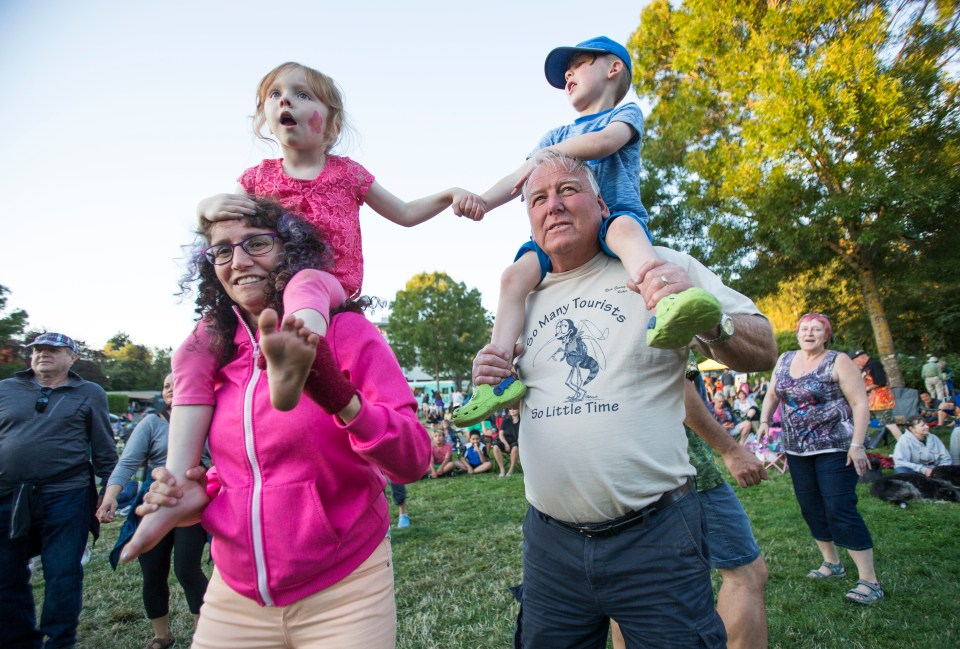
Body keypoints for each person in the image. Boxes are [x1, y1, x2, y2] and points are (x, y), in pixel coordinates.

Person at [145, 60, 483, 551]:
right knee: (194, 349)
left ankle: (299, 355)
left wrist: (450, 193)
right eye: (276, 95)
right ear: (264, 119)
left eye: (302, 95)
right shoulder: (255, 180)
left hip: (328, 289)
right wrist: (205, 208)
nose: (286, 101)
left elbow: (406, 213)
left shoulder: (348, 174)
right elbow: (216, 228)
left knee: (305, 280)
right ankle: (175, 481)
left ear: (333, 124)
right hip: (267, 294)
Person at [472, 150, 777, 647]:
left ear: (600, 202)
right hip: (550, 547)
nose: (554, 206)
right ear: (528, 218)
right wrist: (492, 374)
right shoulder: (522, 296)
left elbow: (763, 347)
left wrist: (710, 322)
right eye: (538, 199)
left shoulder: (659, 267)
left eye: (568, 190)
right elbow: (524, 395)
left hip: (656, 539)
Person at [125, 200, 431, 648]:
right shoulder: (211, 352)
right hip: (234, 593)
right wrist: (203, 491)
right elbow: (250, 464)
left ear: (290, 249)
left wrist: (342, 401)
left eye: (257, 243)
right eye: (223, 252)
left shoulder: (348, 333)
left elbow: (414, 459)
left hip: (345, 589)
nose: (240, 261)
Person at [452, 36, 722, 427]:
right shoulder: (551, 137)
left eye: (577, 65)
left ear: (613, 68)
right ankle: (497, 375)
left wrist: (548, 158)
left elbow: (604, 144)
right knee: (513, 277)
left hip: (613, 216)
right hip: (559, 232)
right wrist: (482, 201)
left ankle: (666, 303)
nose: (568, 75)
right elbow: (520, 176)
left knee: (628, 232)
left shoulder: (624, 115)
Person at [612, 363, 770, 649]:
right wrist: (730, 449)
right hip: (687, 471)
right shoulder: (660, 320)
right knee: (745, 573)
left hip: (622, 472)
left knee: (633, 584)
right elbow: (677, 389)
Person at [0, 332, 118, 648]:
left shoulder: (89, 392)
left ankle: (60, 641)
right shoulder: (6, 390)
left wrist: (111, 489)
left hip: (66, 494)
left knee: (63, 573)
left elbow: (104, 446)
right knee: (5, 574)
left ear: (73, 357)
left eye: (53, 349)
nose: (42, 354)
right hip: (7, 496)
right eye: (37, 349)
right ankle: (18, 641)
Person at [759, 313, 883, 605]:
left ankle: (869, 580)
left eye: (816, 329)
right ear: (797, 333)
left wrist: (857, 444)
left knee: (839, 506)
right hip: (798, 449)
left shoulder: (838, 361)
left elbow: (860, 404)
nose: (809, 333)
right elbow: (772, 394)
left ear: (827, 335)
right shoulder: (786, 359)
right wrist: (764, 420)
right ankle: (832, 564)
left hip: (836, 446)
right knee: (811, 506)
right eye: (804, 328)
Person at [97, 374, 208, 649]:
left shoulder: (206, 419)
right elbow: (128, 462)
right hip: (153, 500)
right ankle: (161, 636)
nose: (170, 389)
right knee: (153, 572)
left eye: (176, 383)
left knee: (187, 570)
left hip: (190, 503)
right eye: (166, 386)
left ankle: (201, 635)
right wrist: (110, 496)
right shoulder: (152, 423)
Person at [850, 349, 902, 442]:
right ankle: (862, 442)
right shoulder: (867, 367)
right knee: (861, 420)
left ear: (861, 357)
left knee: (889, 424)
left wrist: (866, 388)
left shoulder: (874, 364)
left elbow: (881, 382)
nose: (854, 363)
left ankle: (905, 444)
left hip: (881, 401)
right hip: (872, 402)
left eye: (854, 360)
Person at [493, 407, 521, 477]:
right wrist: (506, 444)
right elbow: (501, 434)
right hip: (505, 442)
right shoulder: (506, 421)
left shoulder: (523, 421)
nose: (512, 410)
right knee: (495, 447)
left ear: (519, 409)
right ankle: (502, 469)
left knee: (515, 447)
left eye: (514, 408)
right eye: (510, 409)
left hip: (516, 442)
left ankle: (511, 470)